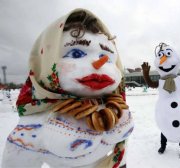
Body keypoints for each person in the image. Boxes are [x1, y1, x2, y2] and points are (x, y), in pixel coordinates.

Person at [1, 9, 133, 168]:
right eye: (76, 53)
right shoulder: (33, 124)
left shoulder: (115, 104)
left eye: (106, 56)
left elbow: (121, 146)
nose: (99, 64)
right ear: (46, 59)